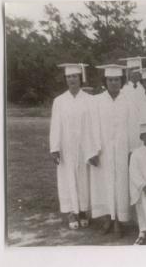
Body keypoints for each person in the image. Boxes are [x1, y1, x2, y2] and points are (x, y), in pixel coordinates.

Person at [88, 64, 140, 237]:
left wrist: (132, 150)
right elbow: (91, 127)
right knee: (104, 184)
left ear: (121, 81)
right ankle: (107, 219)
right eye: (110, 80)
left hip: (122, 150)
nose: (114, 83)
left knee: (120, 185)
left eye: (117, 79)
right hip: (103, 150)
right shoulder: (97, 101)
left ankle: (119, 221)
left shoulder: (128, 101)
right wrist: (92, 150)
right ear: (105, 81)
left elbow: (133, 127)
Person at [50, 63, 94, 230]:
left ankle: (83, 210)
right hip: (66, 147)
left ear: (80, 78)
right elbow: (55, 126)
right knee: (67, 178)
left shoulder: (89, 100)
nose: (72, 79)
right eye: (69, 77)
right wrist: (54, 148)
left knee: (84, 178)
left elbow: (93, 125)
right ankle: (71, 212)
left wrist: (93, 147)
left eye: (75, 76)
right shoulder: (59, 101)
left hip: (84, 146)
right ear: (65, 79)